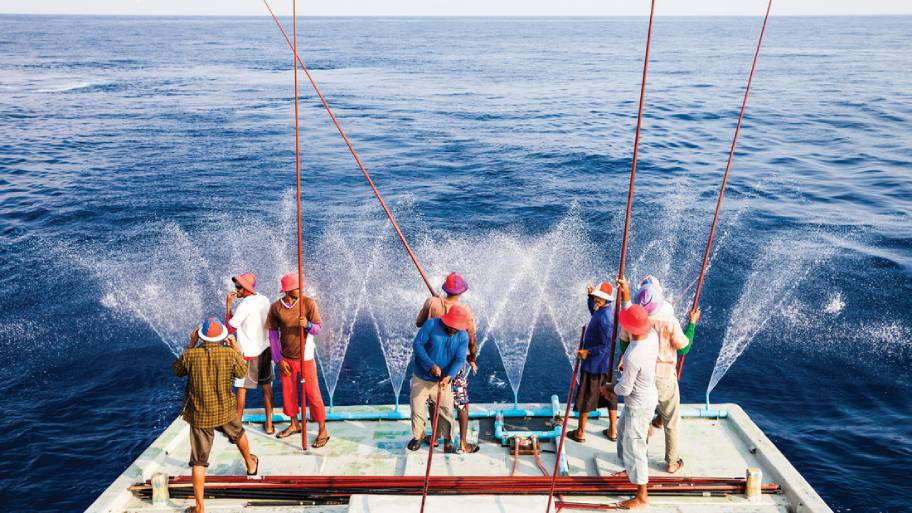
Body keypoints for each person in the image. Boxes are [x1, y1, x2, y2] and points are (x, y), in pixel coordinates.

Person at [172, 317, 259, 513]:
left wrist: (191, 344)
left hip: (200, 415)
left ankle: (200, 507)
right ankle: (250, 465)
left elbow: (177, 371)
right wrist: (236, 348)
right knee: (239, 435)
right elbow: (242, 373)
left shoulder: (191, 355)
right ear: (222, 337)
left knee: (199, 461)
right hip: (225, 410)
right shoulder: (229, 355)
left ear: (200, 336)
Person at [623, 276, 700, 473]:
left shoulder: (636, 319)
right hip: (665, 376)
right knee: (671, 420)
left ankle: (639, 458)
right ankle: (672, 462)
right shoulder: (670, 321)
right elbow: (684, 348)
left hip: (643, 377)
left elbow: (624, 343)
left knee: (641, 419)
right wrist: (692, 324)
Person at [416, 272, 479, 454]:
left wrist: (434, 308)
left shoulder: (432, 303)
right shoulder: (464, 311)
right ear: (461, 291)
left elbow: (419, 323)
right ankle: (462, 444)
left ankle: (436, 437)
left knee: (434, 399)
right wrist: (472, 358)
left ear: (445, 288)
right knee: (460, 401)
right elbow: (471, 337)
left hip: (433, 361)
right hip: (455, 365)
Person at [265, 271, 330, 448]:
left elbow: (318, 329)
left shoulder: (309, 303)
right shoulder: (276, 308)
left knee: (313, 394)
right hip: (286, 359)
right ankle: (294, 424)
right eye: (296, 288)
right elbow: (272, 336)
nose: (300, 289)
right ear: (286, 291)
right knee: (289, 393)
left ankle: (322, 430)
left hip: (305, 357)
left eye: (300, 286)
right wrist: (279, 360)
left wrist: (307, 325)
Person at [567, 278, 630, 443]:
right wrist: (590, 297)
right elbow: (593, 312)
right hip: (605, 366)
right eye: (596, 297)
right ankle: (613, 431)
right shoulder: (603, 310)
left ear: (607, 299)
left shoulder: (606, 319)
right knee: (610, 396)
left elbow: (606, 345)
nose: (596, 299)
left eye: (598, 297)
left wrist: (588, 352)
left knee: (587, 396)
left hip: (595, 366)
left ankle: (580, 432)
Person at [613, 304, 660, 510]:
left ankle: (642, 496)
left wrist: (609, 388)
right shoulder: (652, 338)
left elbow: (624, 389)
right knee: (623, 431)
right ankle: (629, 470)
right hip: (649, 397)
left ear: (631, 329)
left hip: (638, 405)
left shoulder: (633, 356)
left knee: (635, 447)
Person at [407, 304, 470, 453]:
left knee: (447, 410)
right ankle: (418, 437)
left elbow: (460, 359)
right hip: (421, 377)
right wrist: (430, 365)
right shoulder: (431, 324)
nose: (453, 331)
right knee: (417, 408)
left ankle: (448, 440)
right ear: (446, 321)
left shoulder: (463, 336)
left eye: (457, 328)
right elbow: (417, 344)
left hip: (442, 381)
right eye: (451, 327)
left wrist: (449, 376)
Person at [225, 272, 274, 435]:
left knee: (241, 389)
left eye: (239, 287)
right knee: (267, 388)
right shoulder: (264, 299)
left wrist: (228, 305)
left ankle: (237, 426)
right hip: (266, 350)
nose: (236, 290)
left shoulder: (244, 305)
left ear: (246, 289)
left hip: (248, 354)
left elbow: (231, 327)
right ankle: (269, 424)